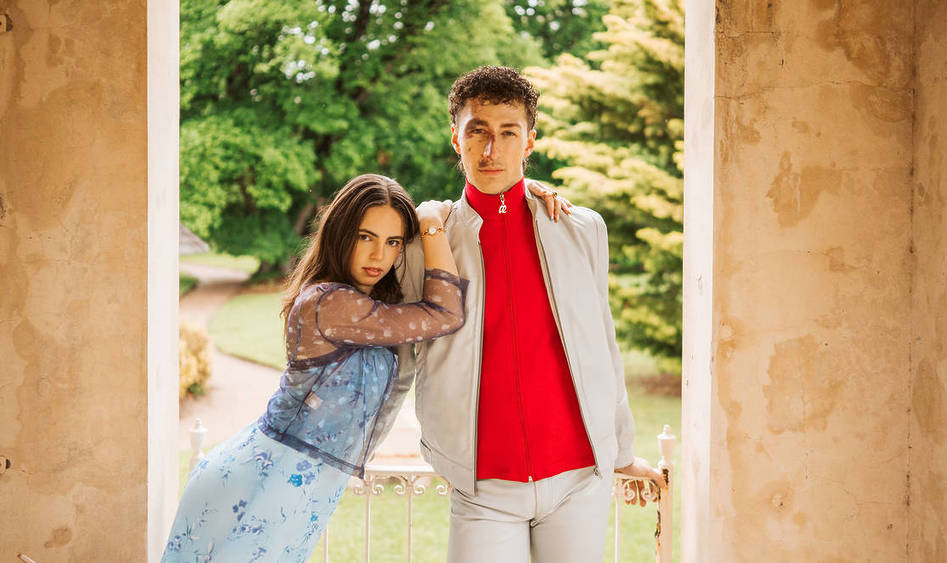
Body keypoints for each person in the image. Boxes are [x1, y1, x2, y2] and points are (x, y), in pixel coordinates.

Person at [397, 66, 667, 562]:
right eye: (476, 131)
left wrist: (622, 452)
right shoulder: (427, 239)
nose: (490, 150)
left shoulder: (581, 228)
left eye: (507, 133)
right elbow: (403, 347)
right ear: (456, 140)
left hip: (578, 479)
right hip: (482, 488)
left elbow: (603, 341)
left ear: (530, 142)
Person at [161, 174, 468, 562]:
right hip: (262, 481)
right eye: (365, 237)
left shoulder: (366, 309)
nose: (379, 256)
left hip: (295, 486)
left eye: (392, 242)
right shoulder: (329, 303)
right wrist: (430, 222)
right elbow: (445, 312)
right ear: (341, 234)